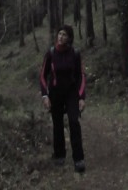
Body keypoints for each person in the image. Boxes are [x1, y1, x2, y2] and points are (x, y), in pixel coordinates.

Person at [39, 25, 87, 172]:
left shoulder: (75, 54)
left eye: (64, 35)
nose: (61, 37)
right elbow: (42, 75)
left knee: (74, 122)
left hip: (71, 93)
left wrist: (81, 97)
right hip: (55, 93)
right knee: (57, 124)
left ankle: (78, 159)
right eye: (59, 34)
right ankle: (59, 155)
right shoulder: (51, 53)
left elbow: (81, 76)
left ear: (69, 38)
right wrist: (45, 95)